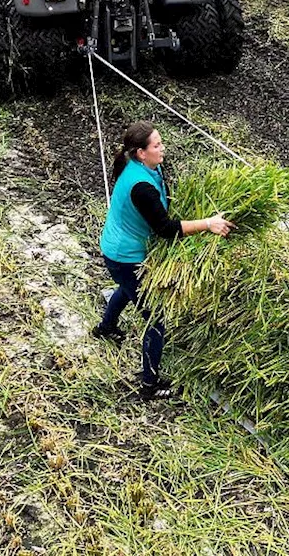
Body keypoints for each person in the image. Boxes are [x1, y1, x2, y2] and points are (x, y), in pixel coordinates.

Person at [95, 121, 234, 400]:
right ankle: (150, 384)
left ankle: (106, 328)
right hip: (124, 255)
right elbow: (166, 230)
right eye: (157, 145)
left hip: (121, 247)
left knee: (126, 288)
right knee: (155, 320)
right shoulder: (140, 186)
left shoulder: (146, 167)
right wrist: (207, 223)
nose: (163, 149)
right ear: (140, 153)